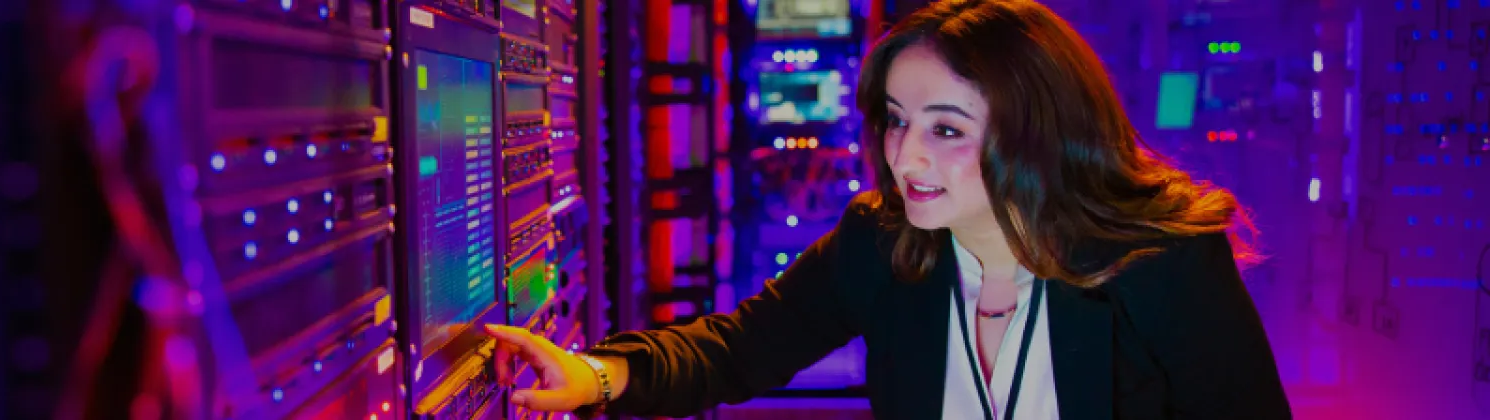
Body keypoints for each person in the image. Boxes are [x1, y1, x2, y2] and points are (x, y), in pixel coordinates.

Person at [481, 0, 1292, 418]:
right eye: (897, 121)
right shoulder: (884, 240)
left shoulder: (1164, 262)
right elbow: (741, 348)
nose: (905, 157)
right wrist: (596, 375)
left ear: (1037, 132)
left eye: (945, 129)